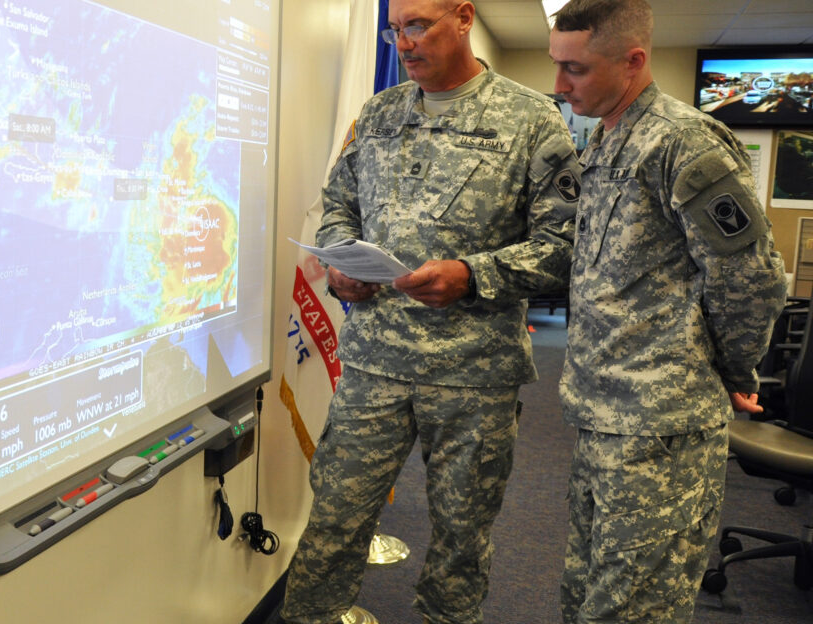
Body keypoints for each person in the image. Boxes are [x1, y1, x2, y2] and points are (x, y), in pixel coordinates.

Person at [279, 1, 580, 622]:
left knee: (460, 539)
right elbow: (337, 205)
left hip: (474, 374)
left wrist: (474, 274)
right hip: (373, 365)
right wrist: (339, 265)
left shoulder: (532, 120)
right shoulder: (380, 113)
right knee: (334, 517)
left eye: (418, 25)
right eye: (395, 29)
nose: (404, 42)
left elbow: (567, 248)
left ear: (464, 18)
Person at [548, 1, 788, 621]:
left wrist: (733, 371)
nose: (558, 84)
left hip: (662, 427)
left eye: (574, 68)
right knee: (583, 594)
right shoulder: (606, 138)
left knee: (632, 610)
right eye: (556, 66)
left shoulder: (683, 141)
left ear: (633, 61)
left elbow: (752, 279)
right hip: (602, 413)